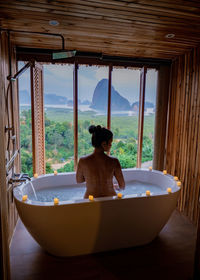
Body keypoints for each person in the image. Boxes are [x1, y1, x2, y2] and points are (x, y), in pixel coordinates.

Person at [76, 125, 125, 198]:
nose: (111, 145)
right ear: (104, 144)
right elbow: (122, 185)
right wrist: (109, 185)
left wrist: (91, 178)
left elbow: (79, 180)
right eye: (110, 142)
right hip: (109, 199)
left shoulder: (83, 161)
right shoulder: (114, 161)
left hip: (90, 200)